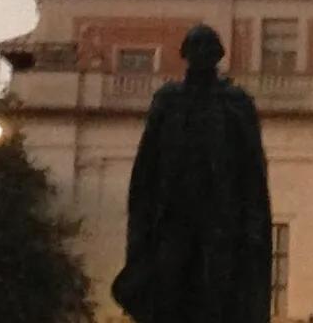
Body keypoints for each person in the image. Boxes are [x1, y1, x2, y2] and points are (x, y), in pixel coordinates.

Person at [113, 24, 272, 323]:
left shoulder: (236, 103)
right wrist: (142, 226)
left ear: (218, 56)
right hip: (173, 217)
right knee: (170, 295)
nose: (201, 57)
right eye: (196, 49)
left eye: (208, 50)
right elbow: (147, 166)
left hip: (221, 221)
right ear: (185, 54)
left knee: (217, 297)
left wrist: (251, 227)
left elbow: (252, 172)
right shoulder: (167, 101)